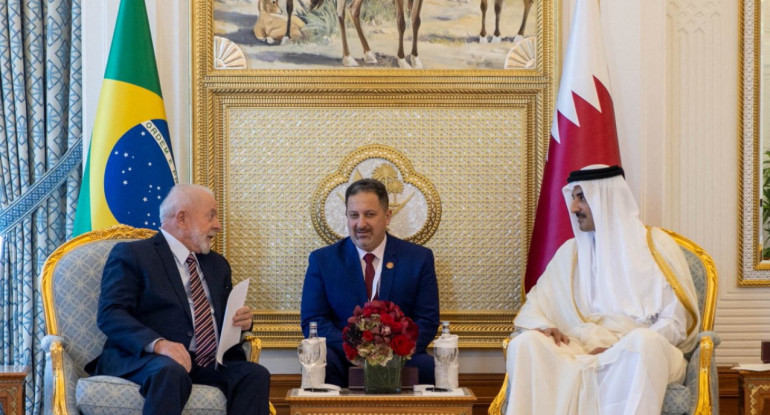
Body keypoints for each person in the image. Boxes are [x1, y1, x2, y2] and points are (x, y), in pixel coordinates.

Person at [505, 165, 700, 415]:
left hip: (645, 351)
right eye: (573, 197)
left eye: (582, 197)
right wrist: (544, 326)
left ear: (607, 198)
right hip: (584, 346)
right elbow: (534, 308)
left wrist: (620, 346)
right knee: (527, 343)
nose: (574, 207)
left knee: (643, 343)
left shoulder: (656, 246)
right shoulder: (571, 252)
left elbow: (674, 324)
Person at [86, 184, 271, 415]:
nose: (218, 225)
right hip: (148, 358)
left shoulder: (217, 265)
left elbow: (221, 318)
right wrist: (160, 345)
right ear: (181, 219)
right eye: (211, 216)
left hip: (206, 361)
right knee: (171, 371)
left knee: (254, 375)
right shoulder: (134, 255)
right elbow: (110, 314)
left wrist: (243, 321)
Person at [301, 178, 440, 387]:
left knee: (429, 367)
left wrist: (390, 352)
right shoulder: (323, 261)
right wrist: (359, 351)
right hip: (343, 356)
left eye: (370, 214)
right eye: (354, 215)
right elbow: (313, 320)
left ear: (387, 216)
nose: (361, 224)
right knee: (323, 361)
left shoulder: (418, 259)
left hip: (399, 357)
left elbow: (427, 320)